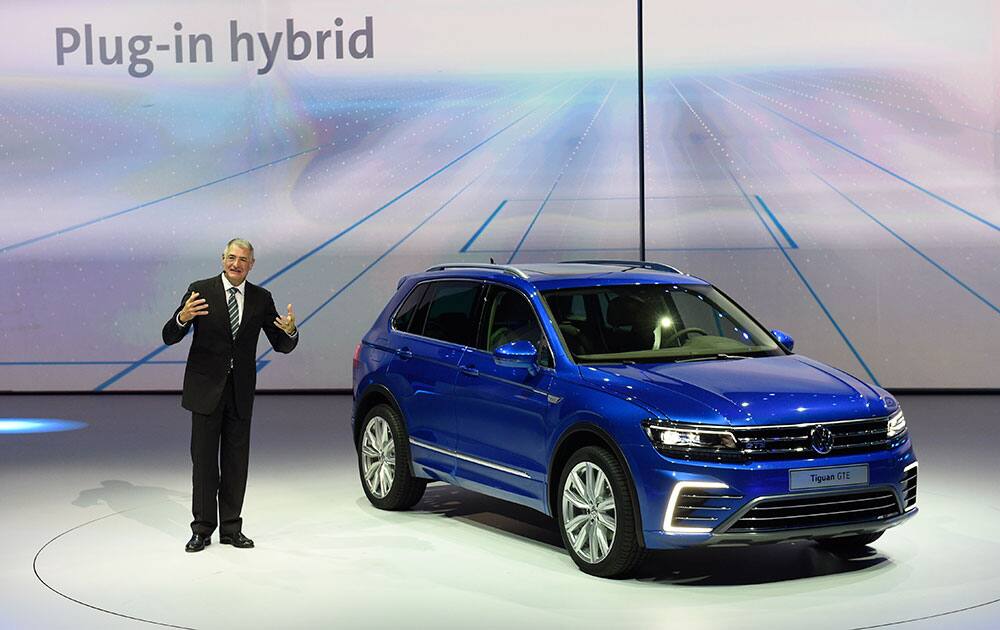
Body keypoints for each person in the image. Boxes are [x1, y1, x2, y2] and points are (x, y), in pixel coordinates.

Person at [162, 238, 299, 552]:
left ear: (251, 265)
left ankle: (232, 529)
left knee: (237, 464)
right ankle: (202, 530)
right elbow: (170, 336)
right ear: (222, 259)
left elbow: (280, 343)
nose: (236, 264)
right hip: (206, 391)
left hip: (239, 393)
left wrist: (290, 331)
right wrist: (182, 316)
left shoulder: (261, 299)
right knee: (205, 464)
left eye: (243, 259)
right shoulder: (201, 290)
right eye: (231, 257)